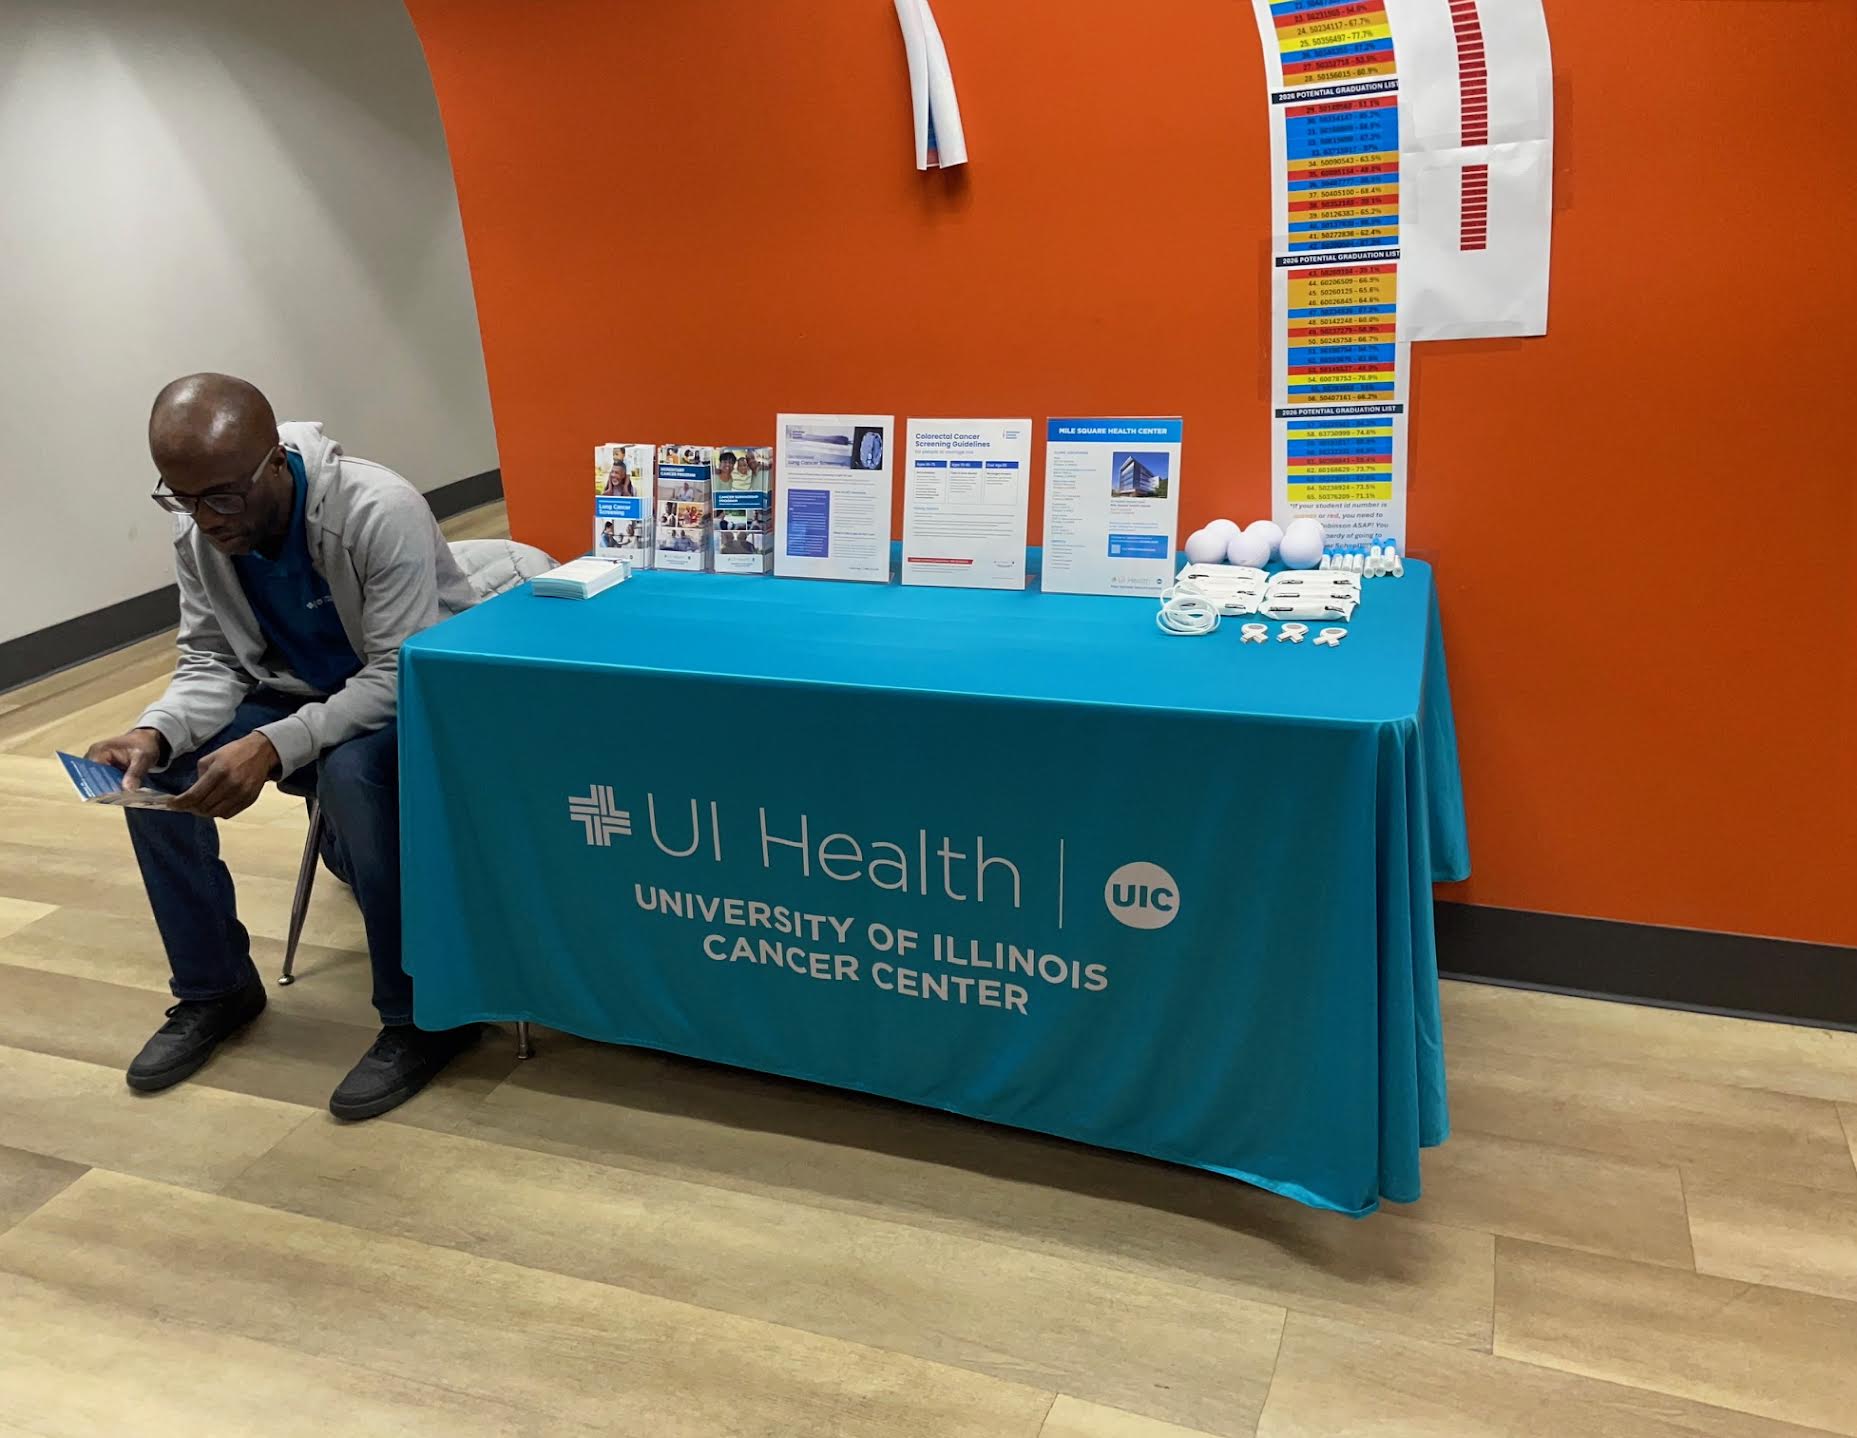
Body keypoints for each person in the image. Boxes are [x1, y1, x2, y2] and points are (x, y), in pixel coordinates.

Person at [83, 373, 481, 1120]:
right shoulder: (201, 529)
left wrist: (273, 744)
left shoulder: (377, 509)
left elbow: (398, 673)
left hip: (419, 696)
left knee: (353, 772)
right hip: (298, 695)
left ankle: (425, 1015)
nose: (206, 519)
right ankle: (216, 989)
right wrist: (154, 729)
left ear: (274, 462)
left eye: (222, 497)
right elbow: (211, 658)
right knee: (157, 774)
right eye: (182, 498)